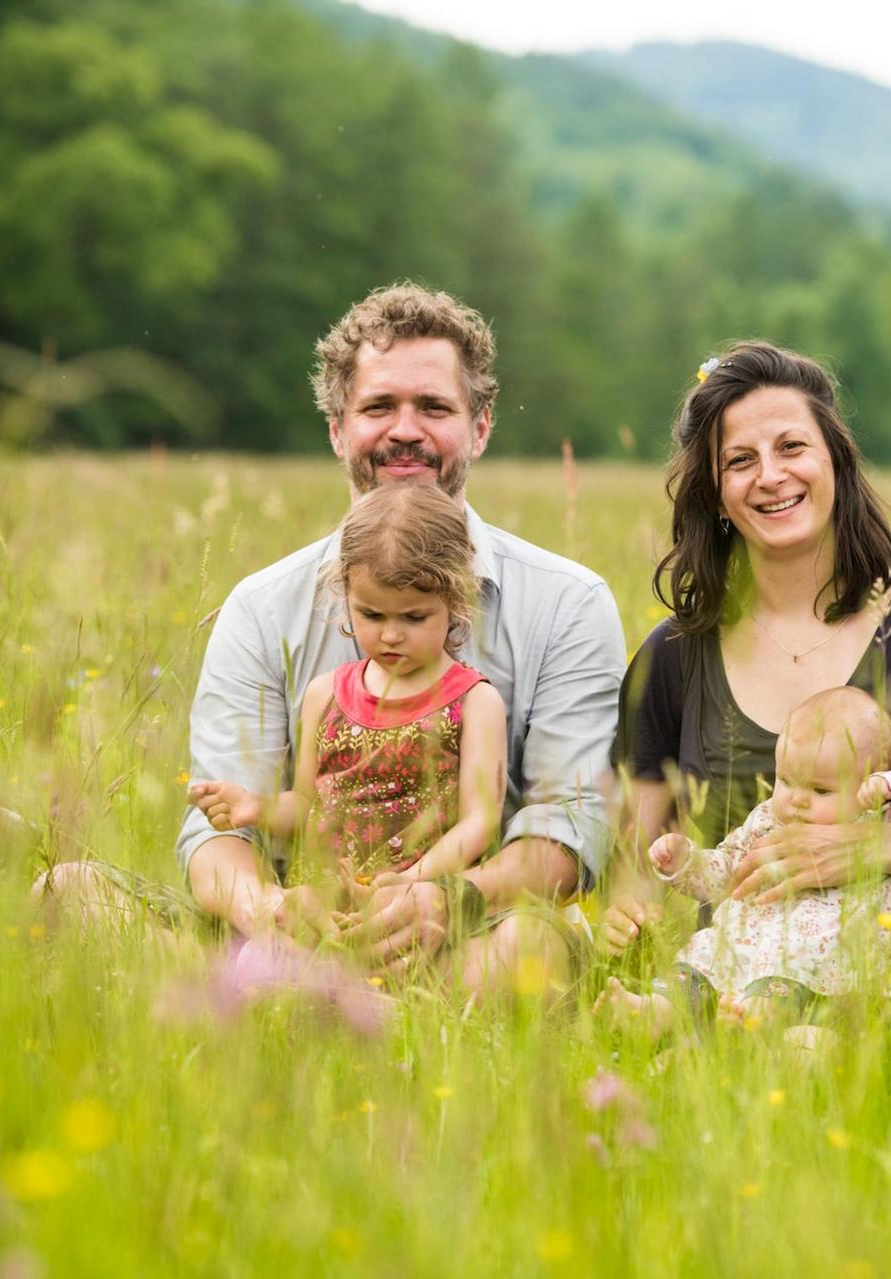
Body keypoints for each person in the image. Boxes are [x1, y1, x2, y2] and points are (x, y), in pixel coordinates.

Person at [39, 283, 625, 996]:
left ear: (479, 426)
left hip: (470, 933)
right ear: (337, 429)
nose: (404, 430)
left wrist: (449, 898)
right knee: (68, 891)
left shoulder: (568, 602)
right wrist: (271, 910)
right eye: (378, 407)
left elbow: (569, 830)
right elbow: (218, 837)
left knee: (530, 950)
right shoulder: (261, 608)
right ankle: (287, 999)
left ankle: (326, 1016)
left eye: (434, 408)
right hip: (296, 934)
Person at [603, 341, 891, 957]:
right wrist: (631, 917)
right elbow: (634, 871)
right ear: (716, 495)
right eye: (740, 461)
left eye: (791, 447)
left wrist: (877, 851)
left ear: (834, 458)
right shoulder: (672, 656)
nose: (770, 476)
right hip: (731, 1000)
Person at [185, 484, 506, 924]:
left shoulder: (473, 702)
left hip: (417, 909)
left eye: (414, 617)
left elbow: (480, 822)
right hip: (319, 905)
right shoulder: (325, 694)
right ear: (346, 597)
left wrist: (415, 880)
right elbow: (307, 805)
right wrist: (253, 806)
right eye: (371, 615)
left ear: (456, 601)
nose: (391, 634)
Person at [596, 687, 891, 1039]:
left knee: (785, 975)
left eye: (820, 791)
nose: (797, 800)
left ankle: (757, 1025)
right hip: (744, 946)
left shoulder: (879, 820)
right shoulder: (768, 820)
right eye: (786, 780)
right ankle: (655, 1011)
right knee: (697, 962)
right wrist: (685, 863)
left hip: (827, 959)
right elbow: (728, 871)